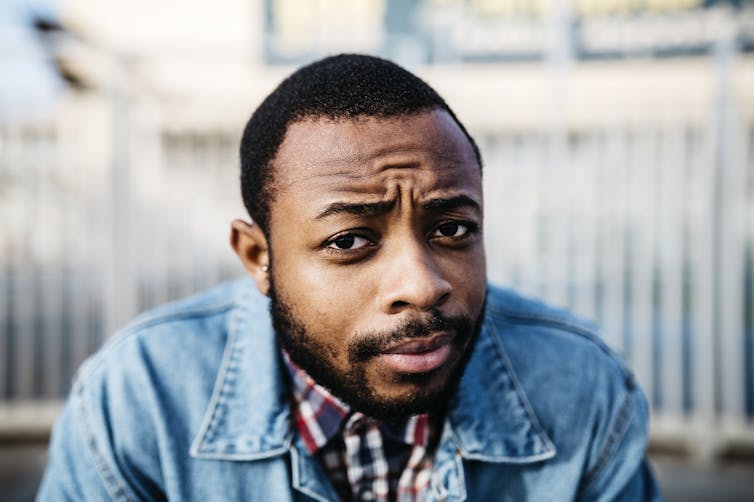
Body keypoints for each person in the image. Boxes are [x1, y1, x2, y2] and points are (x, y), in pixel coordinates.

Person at [37, 54, 659, 501]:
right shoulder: (140, 401)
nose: (421, 285)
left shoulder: (583, 391)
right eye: (349, 241)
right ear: (259, 258)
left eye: (453, 229)